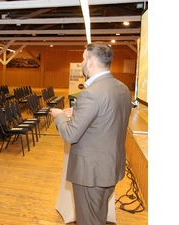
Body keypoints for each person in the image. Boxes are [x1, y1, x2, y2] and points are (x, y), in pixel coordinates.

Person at [49, 42, 132, 225]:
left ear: (91, 62)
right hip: (111, 167)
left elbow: (70, 134)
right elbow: (107, 121)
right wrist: (78, 114)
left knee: (88, 220)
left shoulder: (91, 94)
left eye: (83, 59)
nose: (82, 62)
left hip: (91, 173)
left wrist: (60, 116)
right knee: (98, 216)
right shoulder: (122, 88)